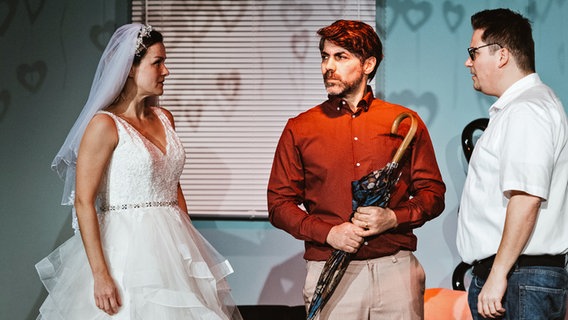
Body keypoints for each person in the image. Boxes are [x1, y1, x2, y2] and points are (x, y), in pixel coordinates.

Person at [35, 23, 242, 319]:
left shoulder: (165, 117)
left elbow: (173, 186)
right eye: (157, 62)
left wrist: (192, 250)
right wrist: (101, 275)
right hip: (125, 252)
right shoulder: (104, 125)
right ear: (130, 68)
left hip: (173, 248)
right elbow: (83, 202)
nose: (166, 71)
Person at [267, 20, 446, 319]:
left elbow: (433, 194)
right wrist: (329, 233)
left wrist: (393, 217)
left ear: (368, 64)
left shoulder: (404, 122)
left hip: (395, 271)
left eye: (341, 57)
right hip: (330, 271)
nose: (328, 66)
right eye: (325, 56)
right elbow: (279, 204)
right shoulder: (300, 128)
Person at [457, 8, 568, 320]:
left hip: (520, 278)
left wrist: (498, 275)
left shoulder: (527, 110)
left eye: (473, 52)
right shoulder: (521, 108)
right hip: (517, 277)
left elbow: (526, 197)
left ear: (502, 55)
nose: (468, 62)